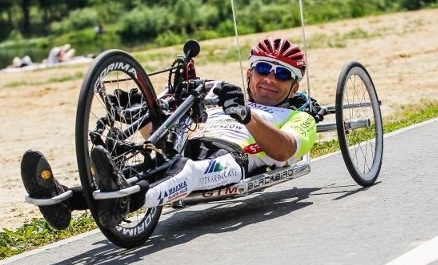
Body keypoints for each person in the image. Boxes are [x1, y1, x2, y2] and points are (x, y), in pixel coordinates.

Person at [21, 37, 319, 230]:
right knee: (151, 165)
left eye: (282, 74)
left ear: (294, 86)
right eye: (263, 69)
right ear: (249, 73)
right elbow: (163, 129)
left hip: (232, 161)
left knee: (185, 172)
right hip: (185, 147)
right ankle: (62, 199)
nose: (270, 79)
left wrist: (246, 115)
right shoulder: (226, 96)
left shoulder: (299, 117)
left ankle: (128, 201)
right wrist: (142, 110)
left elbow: (284, 151)